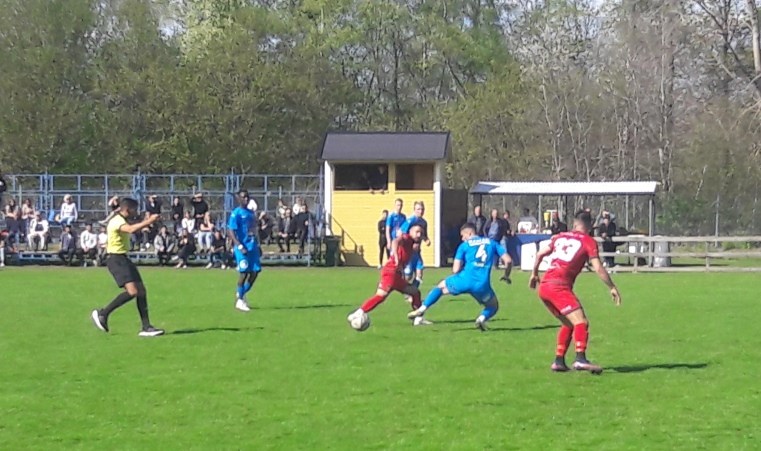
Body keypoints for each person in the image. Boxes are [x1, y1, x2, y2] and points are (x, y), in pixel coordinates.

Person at [529, 210, 622, 374]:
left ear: (574, 223)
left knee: (568, 323)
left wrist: (534, 274)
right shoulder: (588, 241)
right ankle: (580, 359)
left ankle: (559, 361)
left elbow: (540, 253)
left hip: (545, 287)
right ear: (590, 226)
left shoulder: (559, 237)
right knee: (581, 322)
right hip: (559, 286)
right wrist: (612, 287)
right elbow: (598, 268)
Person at [408, 223, 513, 330]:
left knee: (441, 287)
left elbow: (455, 269)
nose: (462, 239)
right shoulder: (492, 243)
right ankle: (481, 319)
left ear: (470, 233)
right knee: (493, 306)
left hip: (464, 280)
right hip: (482, 285)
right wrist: (506, 275)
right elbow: (508, 261)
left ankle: (422, 309)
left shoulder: (464, 246)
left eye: (463, 236)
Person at [91, 198, 164, 337]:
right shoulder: (117, 221)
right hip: (116, 259)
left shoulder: (121, 219)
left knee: (141, 291)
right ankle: (103, 314)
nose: (136, 212)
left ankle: (146, 327)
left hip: (123, 258)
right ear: (127, 209)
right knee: (132, 292)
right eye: (134, 209)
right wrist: (149, 221)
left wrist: (147, 221)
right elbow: (131, 229)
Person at [346, 224, 425, 328]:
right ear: (410, 232)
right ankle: (358, 313)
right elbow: (395, 241)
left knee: (414, 292)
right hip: (391, 271)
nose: (419, 235)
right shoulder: (406, 238)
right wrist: (396, 257)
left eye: (421, 233)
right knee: (382, 296)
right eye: (417, 232)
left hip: (395, 274)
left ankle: (418, 319)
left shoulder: (411, 243)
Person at [228, 189, 261, 312]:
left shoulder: (251, 213)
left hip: (252, 246)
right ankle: (240, 300)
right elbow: (231, 230)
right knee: (244, 273)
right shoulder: (236, 213)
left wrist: (258, 245)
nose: (246, 199)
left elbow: (254, 230)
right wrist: (239, 245)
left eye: (247, 197)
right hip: (242, 247)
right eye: (243, 197)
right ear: (239, 199)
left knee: (255, 272)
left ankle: (241, 293)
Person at [400, 201, 430, 289]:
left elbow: (424, 235)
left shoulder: (424, 222)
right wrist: (409, 244)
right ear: (414, 210)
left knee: (419, 274)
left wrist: (426, 240)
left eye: (422, 209)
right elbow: (401, 234)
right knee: (408, 276)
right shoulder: (410, 221)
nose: (420, 211)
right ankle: (406, 290)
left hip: (417, 253)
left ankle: (412, 292)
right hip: (409, 253)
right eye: (418, 209)